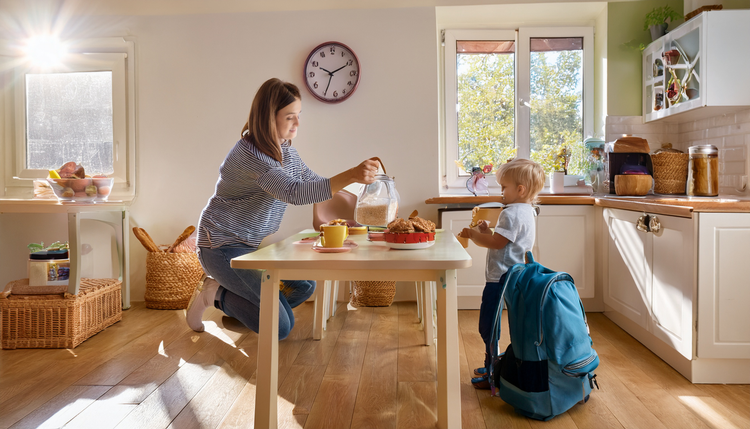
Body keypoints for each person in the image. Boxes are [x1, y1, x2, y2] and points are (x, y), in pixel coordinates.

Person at [186, 78, 380, 338]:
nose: (298, 123)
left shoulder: (287, 152)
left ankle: (252, 308)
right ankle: (216, 295)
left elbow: (314, 184)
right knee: (280, 327)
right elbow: (294, 192)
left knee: (304, 286)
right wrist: (352, 174)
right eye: (290, 117)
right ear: (268, 118)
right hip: (220, 247)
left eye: (299, 115)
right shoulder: (251, 156)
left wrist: (359, 193)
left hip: (248, 246)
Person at [457, 158, 545, 389]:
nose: (501, 191)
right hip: (516, 276)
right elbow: (507, 239)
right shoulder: (527, 211)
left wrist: (474, 234)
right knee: (496, 324)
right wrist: (487, 230)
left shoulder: (511, 213)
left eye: (504, 187)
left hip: (500, 279)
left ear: (520, 189)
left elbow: (497, 244)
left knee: (488, 325)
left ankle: (492, 372)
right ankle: (493, 365)